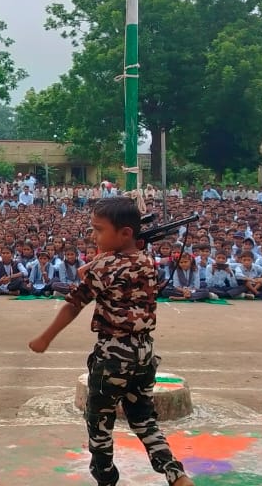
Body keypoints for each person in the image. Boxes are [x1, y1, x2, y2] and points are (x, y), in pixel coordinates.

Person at [27, 197, 193, 486]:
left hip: (114, 355)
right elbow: (109, 269)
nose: (94, 236)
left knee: (99, 423)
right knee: (143, 419)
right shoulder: (147, 262)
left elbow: (74, 303)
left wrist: (45, 337)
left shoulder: (104, 268)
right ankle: (175, 473)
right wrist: (98, 262)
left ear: (126, 233)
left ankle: (106, 479)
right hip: (144, 353)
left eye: (99, 230)